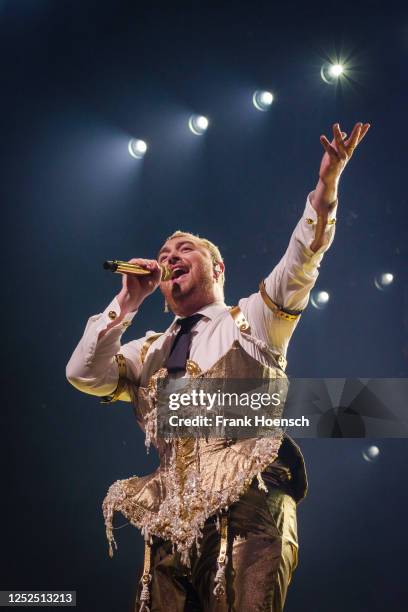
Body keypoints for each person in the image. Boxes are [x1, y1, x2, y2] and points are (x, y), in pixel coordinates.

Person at [66, 122, 370, 611]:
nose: (169, 258)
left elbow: (300, 261)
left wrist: (326, 188)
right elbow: (82, 374)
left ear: (218, 269)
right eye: (164, 255)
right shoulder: (145, 351)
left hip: (249, 507)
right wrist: (124, 304)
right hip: (171, 519)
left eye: (184, 250)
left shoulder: (252, 320)